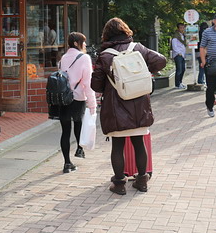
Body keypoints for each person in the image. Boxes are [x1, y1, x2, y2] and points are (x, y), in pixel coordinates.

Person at [91, 18, 166, 195]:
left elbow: (96, 85)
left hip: (116, 106)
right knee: (139, 143)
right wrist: (143, 73)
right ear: (126, 31)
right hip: (139, 104)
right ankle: (142, 181)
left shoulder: (105, 55)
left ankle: (119, 184)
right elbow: (161, 61)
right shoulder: (138, 48)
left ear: (106, 34)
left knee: (117, 146)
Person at [57, 32, 97, 174]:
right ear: (76, 43)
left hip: (63, 99)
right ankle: (80, 150)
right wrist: (92, 104)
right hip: (78, 97)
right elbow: (87, 83)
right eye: (83, 41)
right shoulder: (84, 58)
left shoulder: (63, 58)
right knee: (79, 124)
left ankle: (67, 163)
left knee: (65, 131)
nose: (85, 44)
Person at [171, 23, 187, 89]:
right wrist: (179, 53)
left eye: (183, 27)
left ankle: (180, 82)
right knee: (179, 70)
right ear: (178, 28)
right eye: (181, 27)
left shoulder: (182, 35)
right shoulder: (175, 36)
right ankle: (177, 84)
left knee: (183, 69)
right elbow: (174, 46)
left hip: (182, 55)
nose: (182, 29)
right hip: (178, 55)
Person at [196, 21, 209, 85]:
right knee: (203, 66)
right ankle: (201, 80)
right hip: (203, 52)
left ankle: (201, 79)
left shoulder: (198, 33)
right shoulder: (205, 34)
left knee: (201, 66)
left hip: (197, 52)